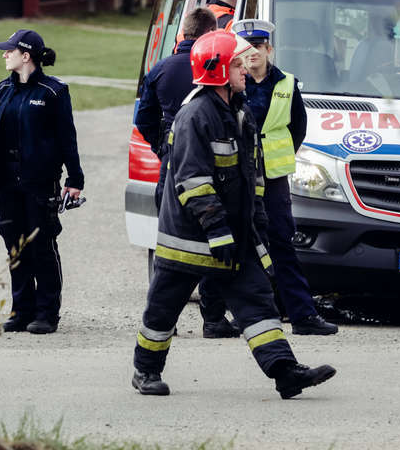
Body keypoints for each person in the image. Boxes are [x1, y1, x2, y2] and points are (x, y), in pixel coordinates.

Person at [131, 30, 335, 399]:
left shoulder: (239, 112)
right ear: (220, 69)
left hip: (232, 236)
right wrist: (217, 228)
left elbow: (251, 175)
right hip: (188, 241)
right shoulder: (196, 115)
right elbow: (193, 180)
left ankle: (285, 372)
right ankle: (145, 372)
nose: (246, 69)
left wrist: (255, 222)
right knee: (163, 310)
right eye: (238, 63)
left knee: (257, 302)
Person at [133, 7, 238, 339]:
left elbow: (144, 119)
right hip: (210, 170)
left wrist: (164, 148)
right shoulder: (212, 71)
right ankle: (213, 318)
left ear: (182, 33)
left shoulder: (160, 69)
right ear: (209, 34)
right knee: (212, 242)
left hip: (170, 166)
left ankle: (166, 319)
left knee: (169, 248)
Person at [232, 18, 338, 336]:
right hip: (242, 175)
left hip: (275, 177)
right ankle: (252, 315)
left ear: (270, 50)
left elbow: (297, 129)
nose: (252, 54)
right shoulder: (233, 82)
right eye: (247, 48)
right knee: (246, 243)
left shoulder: (287, 83)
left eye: (258, 48)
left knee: (282, 242)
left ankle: (302, 316)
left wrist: (274, 155)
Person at [0, 29, 83, 335]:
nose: (4, 54)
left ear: (26, 56)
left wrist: (75, 178)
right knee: (14, 245)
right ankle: (21, 309)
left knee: (41, 244)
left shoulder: (53, 92)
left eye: (9, 50)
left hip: (40, 182)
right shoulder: (2, 90)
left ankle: (46, 312)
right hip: (8, 182)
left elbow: (68, 138)